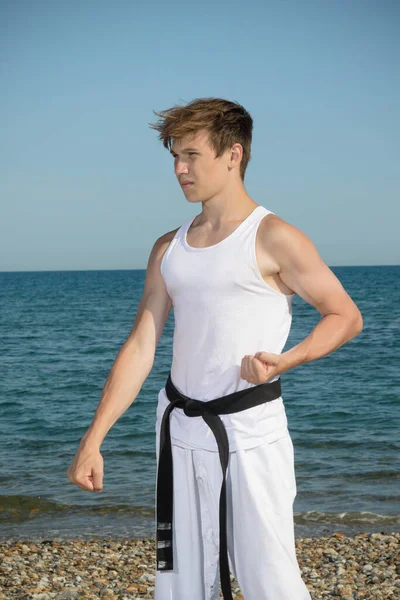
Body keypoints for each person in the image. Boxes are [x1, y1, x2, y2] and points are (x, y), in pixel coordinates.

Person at [66, 97, 363, 600]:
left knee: (271, 579)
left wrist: (289, 359)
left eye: (191, 155)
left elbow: (345, 315)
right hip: (178, 430)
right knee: (179, 579)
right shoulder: (168, 247)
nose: (180, 169)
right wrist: (94, 438)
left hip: (249, 433)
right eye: (174, 158)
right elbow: (142, 343)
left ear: (234, 154)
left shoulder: (274, 237)